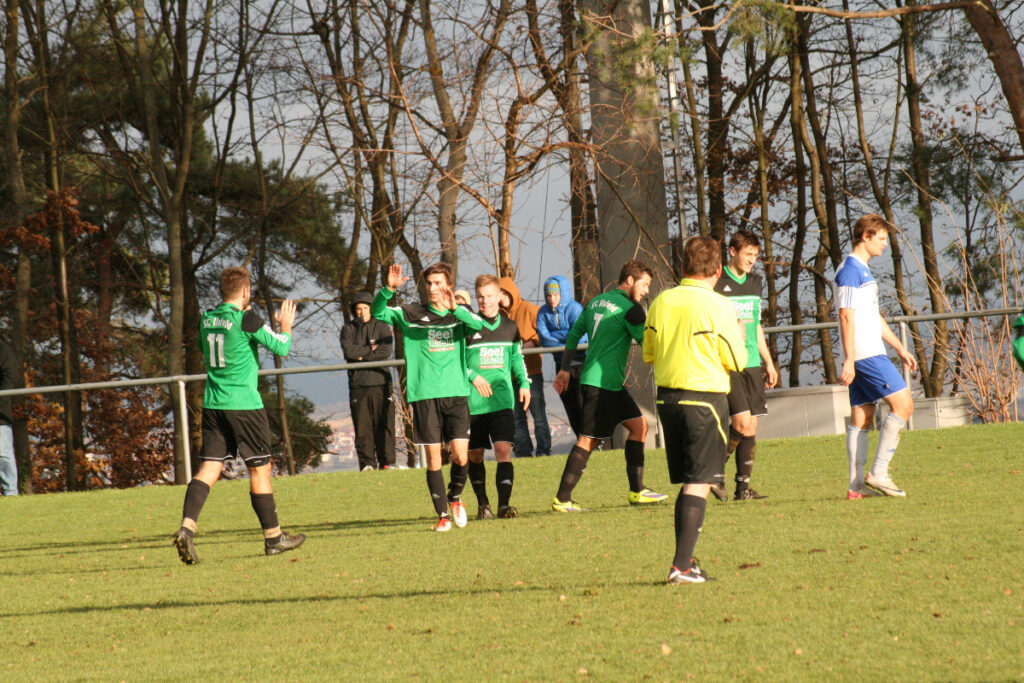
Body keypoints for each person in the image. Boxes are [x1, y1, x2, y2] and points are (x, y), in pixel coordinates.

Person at [172, 267, 305, 564]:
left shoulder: (207, 319)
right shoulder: (247, 319)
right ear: (245, 293)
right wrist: (285, 325)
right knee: (260, 469)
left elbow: (200, 347)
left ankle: (186, 529)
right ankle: (273, 538)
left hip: (213, 405)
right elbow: (282, 346)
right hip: (244, 405)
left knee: (209, 467)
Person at [643, 236, 746, 584]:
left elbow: (649, 353)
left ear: (682, 268)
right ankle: (681, 568)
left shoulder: (660, 302)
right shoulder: (719, 306)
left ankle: (684, 561)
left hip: (667, 400)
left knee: (691, 482)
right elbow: (737, 360)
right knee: (699, 483)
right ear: (718, 270)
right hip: (704, 399)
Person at [372, 262, 484, 531]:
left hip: (456, 394)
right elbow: (377, 312)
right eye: (429, 284)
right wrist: (388, 289)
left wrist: (456, 308)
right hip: (425, 396)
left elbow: (480, 325)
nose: (432, 289)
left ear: (449, 284)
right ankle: (443, 516)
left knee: (461, 456)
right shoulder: (411, 313)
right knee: (434, 460)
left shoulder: (460, 314)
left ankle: (455, 498)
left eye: (438, 283)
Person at [550, 260, 667, 511]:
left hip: (609, 384)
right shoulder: (630, 310)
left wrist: (564, 369)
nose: (646, 291)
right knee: (587, 440)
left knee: (639, 426)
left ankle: (637, 491)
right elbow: (648, 346)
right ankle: (562, 498)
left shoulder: (596, 302)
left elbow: (573, 335)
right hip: (600, 385)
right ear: (631, 280)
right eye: (645, 285)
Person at [836, 214, 918, 499]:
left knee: (863, 416)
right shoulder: (850, 271)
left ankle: (855, 487)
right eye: (881, 238)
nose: (885, 244)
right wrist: (849, 358)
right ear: (866, 236)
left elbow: (872, 316)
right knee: (904, 405)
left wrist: (899, 347)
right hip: (865, 354)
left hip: (867, 352)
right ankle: (879, 473)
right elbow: (846, 316)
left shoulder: (863, 271)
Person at [710, 230, 778, 501]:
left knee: (751, 427)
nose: (752, 260)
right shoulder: (716, 281)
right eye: (748, 254)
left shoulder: (755, 282)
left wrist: (768, 362)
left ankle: (742, 489)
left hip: (751, 364)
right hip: (728, 364)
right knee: (740, 424)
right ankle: (713, 474)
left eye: (755, 256)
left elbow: (756, 325)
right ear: (733, 252)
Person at [465, 275, 532, 519]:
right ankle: (483, 505)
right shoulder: (469, 325)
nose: (484, 301)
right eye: (480, 297)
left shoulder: (510, 327)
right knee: (476, 455)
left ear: (498, 297)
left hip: (502, 401)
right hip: (474, 404)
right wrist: (473, 376)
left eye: (489, 296)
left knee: (503, 450)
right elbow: (455, 362)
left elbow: (516, 358)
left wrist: (524, 383)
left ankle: (504, 505)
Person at [340, 291, 396, 471]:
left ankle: (387, 463)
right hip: (358, 385)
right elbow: (349, 352)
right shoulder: (348, 329)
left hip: (381, 383)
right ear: (354, 311)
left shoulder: (382, 326)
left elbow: (385, 351)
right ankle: (367, 464)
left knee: (385, 425)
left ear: (371, 309)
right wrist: (370, 350)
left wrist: (362, 357)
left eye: (365, 308)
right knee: (362, 426)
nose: (362, 312)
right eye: (358, 309)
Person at [498, 277, 551, 457]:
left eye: (504, 292)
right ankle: (523, 452)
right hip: (509, 375)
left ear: (511, 292)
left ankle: (544, 451)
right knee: (516, 418)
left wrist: (532, 342)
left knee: (539, 416)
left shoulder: (529, 309)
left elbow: (544, 331)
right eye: (499, 293)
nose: (501, 297)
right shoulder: (497, 317)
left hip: (532, 372)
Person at [536, 275, 586, 437]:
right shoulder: (543, 313)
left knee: (582, 403)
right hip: (560, 364)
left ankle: (592, 439)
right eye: (549, 295)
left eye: (555, 295)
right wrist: (567, 340)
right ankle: (580, 439)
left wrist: (558, 337)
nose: (552, 299)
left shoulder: (575, 309)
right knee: (569, 405)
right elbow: (545, 339)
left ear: (562, 294)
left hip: (580, 363)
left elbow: (580, 337)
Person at [0, 339, 18, 496]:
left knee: (3, 454)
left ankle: (11, 492)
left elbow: (9, 375)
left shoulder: (2, 349)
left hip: (0, 413)